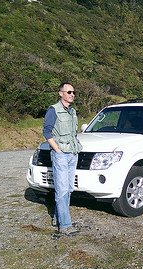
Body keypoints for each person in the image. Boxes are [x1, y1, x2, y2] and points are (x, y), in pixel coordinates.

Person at [43, 83, 83, 236]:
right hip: (61, 154)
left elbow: (74, 133)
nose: (72, 94)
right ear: (61, 93)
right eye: (69, 92)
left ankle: (58, 217)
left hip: (73, 153)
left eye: (73, 92)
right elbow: (46, 132)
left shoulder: (72, 111)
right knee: (62, 189)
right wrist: (57, 150)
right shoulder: (53, 110)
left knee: (69, 189)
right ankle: (65, 226)